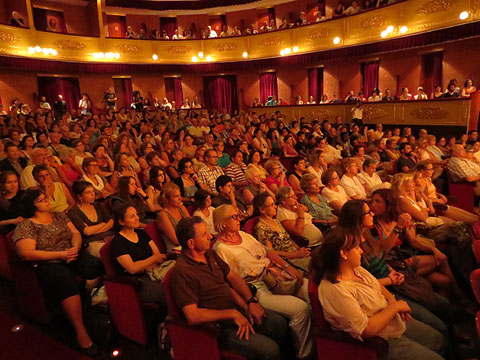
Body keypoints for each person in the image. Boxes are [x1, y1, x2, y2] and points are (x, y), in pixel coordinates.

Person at [312, 225, 446, 360]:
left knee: (437, 338)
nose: (361, 251)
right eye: (357, 247)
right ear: (344, 253)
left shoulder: (356, 269)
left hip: (392, 321)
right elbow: (366, 329)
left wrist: (392, 301)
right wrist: (395, 307)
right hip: (380, 340)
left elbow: (376, 285)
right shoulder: (334, 289)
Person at [170, 216, 288, 360]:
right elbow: (192, 316)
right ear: (191, 243)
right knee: (269, 350)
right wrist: (232, 314)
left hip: (235, 310)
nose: (210, 236)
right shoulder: (182, 272)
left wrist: (248, 303)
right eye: (204, 234)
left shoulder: (209, 253)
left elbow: (230, 278)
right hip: (218, 328)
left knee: (279, 324)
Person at [212, 205, 313, 359]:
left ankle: (318, 338)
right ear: (223, 223)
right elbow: (230, 280)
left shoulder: (243, 235)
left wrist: (288, 266)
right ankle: (304, 353)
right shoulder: (220, 249)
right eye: (234, 216)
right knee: (301, 309)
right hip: (256, 286)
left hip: (275, 274)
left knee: (310, 290)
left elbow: (268, 252)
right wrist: (248, 302)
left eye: (238, 215)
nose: (239, 218)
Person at [13, 189, 103, 356]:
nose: (47, 200)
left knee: (97, 265)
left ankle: (94, 303)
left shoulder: (59, 215)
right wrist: (60, 255)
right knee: (65, 282)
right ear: (32, 206)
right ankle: (80, 331)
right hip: (49, 262)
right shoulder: (27, 225)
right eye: (41, 200)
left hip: (70, 254)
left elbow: (75, 233)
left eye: (45, 197)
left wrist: (74, 248)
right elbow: (26, 253)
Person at [110, 203, 166, 304]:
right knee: (170, 290)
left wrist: (145, 264)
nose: (137, 218)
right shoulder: (118, 242)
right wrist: (152, 260)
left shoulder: (142, 233)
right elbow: (132, 268)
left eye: (136, 214)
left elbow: (158, 256)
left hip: (155, 272)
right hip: (138, 282)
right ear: (121, 222)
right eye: (132, 216)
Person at [254, 192, 311, 272]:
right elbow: (271, 253)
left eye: (274, 203)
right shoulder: (261, 228)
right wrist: (295, 254)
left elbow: (288, 238)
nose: (275, 206)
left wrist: (300, 249)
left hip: (296, 254)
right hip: (287, 261)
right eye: (271, 205)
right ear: (262, 210)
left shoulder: (276, 221)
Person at [68, 181, 114, 258]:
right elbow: (87, 232)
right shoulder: (73, 212)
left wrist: (95, 229)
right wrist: (103, 224)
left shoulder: (98, 205)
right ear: (80, 196)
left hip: (109, 236)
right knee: (113, 253)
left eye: (93, 191)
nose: (93, 194)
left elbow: (111, 222)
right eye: (88, 192)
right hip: (92, 242)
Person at [156, 182, 190, 252]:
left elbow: (193, 227)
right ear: (167, 199)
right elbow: (175, 240)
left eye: (180, 195)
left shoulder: (182, 208)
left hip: (190, 243)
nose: (180, 198)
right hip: (176, 249)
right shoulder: (163, 215)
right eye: (176, 196)